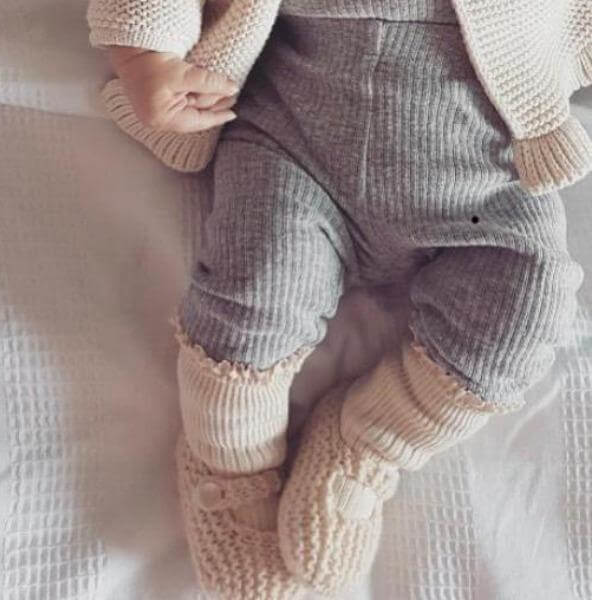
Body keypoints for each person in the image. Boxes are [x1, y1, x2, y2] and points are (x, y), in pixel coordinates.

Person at [86, 1, 592, 598]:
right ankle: (229, 459)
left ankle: (369, 440)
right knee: (255, 294)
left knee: (526, 307)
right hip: (294, 141)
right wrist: (145, 58)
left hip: (486, 170)